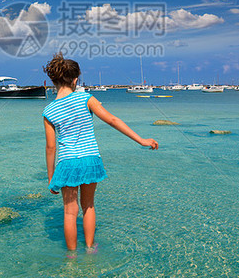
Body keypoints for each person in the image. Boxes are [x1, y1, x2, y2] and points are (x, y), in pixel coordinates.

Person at [42, 53, 159, 254]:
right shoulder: (86, 98)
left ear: (53, 80)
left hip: (67, 163)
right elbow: (113, 120)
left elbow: (51, 147)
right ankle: (90, 248)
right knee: (88, 206)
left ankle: (71, 258)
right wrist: (141, 140)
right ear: (76, 79)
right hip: (90, 160)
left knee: (70, 213)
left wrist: (51, 177)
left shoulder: (49, 110)